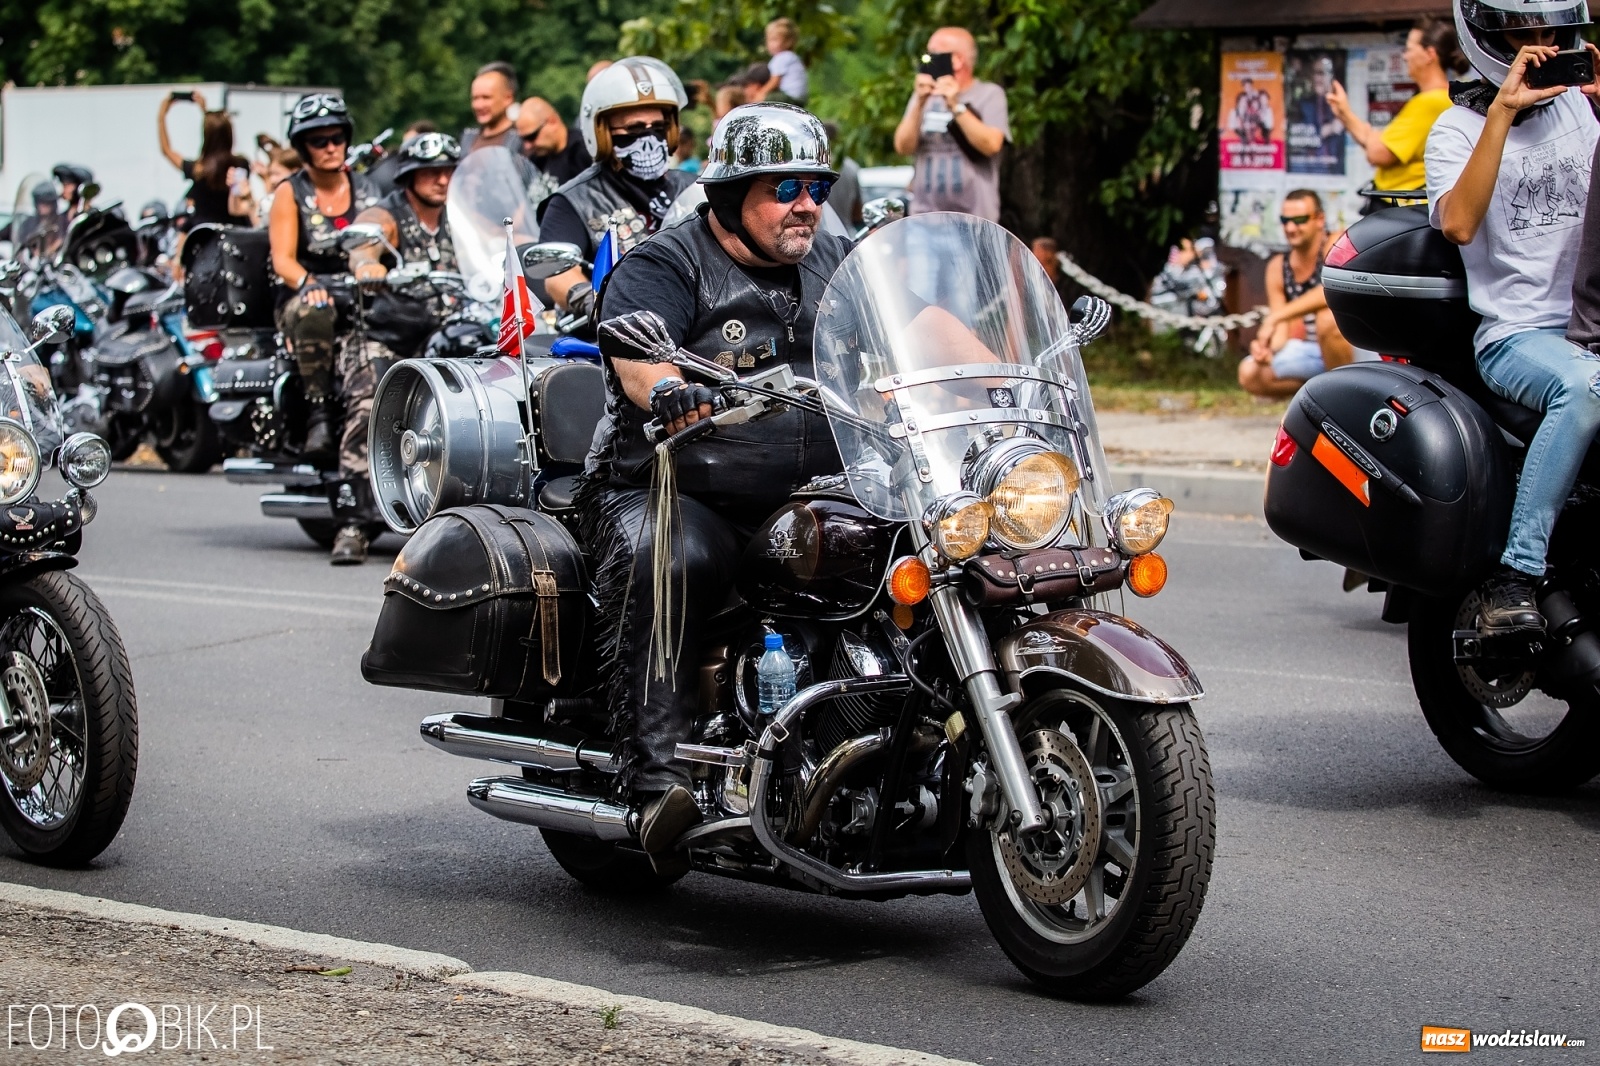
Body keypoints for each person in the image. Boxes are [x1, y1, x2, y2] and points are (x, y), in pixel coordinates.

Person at [578, 103, 850, 869]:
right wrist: (668, 389)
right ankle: (653, 772)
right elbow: (636, 349)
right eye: (786, 186)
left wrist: (996, 359)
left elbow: (913, 326)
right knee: (669, 556)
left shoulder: (833, 258)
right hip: (671, 486)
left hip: (815, 489)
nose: (807, 204)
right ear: (732, 197)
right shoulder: (666, 262)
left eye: (817, 187)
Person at [1427, 0, 1600, 635]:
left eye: (1548, 30)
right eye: (1521, 32)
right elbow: (1459, 223)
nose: (1539, 45)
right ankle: (1516, 573)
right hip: (1518, 335)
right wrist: (1501, 111)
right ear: (1487, 37)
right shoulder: (1455, 129)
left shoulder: (1581, 108)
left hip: (1590, 325)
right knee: (1585, 389)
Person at [334, 133, 462, 565]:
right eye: (431, 172)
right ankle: (353, 521)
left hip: (445, 331)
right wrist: (367, 262)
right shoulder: (390, 212)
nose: (442, 179)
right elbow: (366, 239)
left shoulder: (462, 215)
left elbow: (504, 242)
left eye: (449, 170)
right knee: (371, 403)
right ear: (409, 175)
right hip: (385, 334)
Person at [537, 56, 698, 324]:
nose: (649, 139)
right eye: (633, 129)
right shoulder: (574, 201)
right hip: (616, 338)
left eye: (658, 128)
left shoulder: (695, 188)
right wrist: (597, 303)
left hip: (699, 328)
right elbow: (557, 277)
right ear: (602, 133)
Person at [268, 93, 382, 461]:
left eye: (338, 138)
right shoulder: (290, 192)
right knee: (315, 310)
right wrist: (309, 284)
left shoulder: (368, 188)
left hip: (361, 288)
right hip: (305, 288)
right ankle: (318, 412)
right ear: (303, 147)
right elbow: (283, 260)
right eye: (320, 141)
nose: (332, 148)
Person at [1327, 18, 1469, 193]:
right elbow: (1378, 146)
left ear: (1429, 55)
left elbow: (1379, 153)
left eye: (1409, 49)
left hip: (1402, 207)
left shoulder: (1430, 102)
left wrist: (1346, 114)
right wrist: (1344, 114)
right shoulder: (1442, 98)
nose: (1404, 56)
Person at [1238, 190, 1355, 398]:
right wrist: (1265, 349)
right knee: (1249, 372)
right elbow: (1281, 333)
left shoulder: (1338, 243)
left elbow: (1330, 292)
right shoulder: (1278, 267)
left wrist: (1275, 317)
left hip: (1353, 347)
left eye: (1299, 220)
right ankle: (1318, 397)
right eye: (1285, 220)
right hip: (1311, 353)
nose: (1291, 228)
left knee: (1327, 320)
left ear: (1320, 219)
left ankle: (1345, 396)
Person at [892, 26, 1010, 222]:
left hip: (974, 221)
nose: (926, 59)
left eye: (933, 54)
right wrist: (919, 103)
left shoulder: (989, 94)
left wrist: (955, 105)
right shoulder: (922, 97)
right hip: (924, 219)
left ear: (956, 60)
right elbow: (903, 146)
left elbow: (991, 145)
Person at [158, 92, 252, 226]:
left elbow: (166, 150)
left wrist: (161, 116)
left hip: (205, 233)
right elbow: (217, 129)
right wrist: (204, 111)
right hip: (235, 230)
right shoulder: (241, 164)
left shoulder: (198, 169)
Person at [516, 98, 593, 184]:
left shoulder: (582, 151)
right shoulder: (537, 161)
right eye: (523, 139)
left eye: (532, 136)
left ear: (552, 121)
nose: (527, 145)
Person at [367, 120, 438, 195]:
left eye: (411, 142)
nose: (406, 146)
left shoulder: (423, 170)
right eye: (405, 142)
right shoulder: (390, 156)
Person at [463, 62, 519, 153]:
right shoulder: (467, 139)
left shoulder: (522, 141)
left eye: (486, 97)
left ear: (508, 98)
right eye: (475, 98)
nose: (479, 105)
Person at [762, 18, 808, 104]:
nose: (770, 44)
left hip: (790, 98)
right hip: (799, 99)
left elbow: (774, 82)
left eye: (774, 40)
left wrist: (760, 93)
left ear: (788, 42)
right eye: (769, 40)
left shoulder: (783, 57)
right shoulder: (791, 56)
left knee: (765, 99)